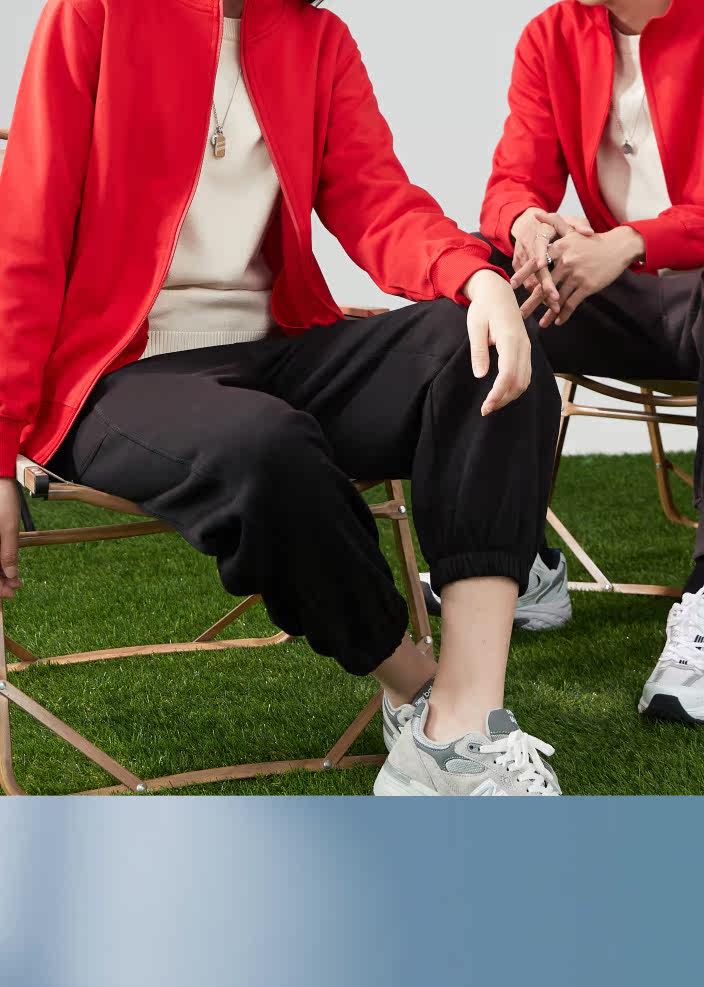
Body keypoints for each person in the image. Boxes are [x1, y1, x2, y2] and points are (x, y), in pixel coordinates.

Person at [0, 0, 564, 796]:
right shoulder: (95, 14)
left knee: (481, 348)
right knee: (264, 445)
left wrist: (478, 278)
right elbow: (25, 230)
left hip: (276, 350)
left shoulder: (316, 40)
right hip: (117, 374)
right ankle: (417, 687)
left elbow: (377, 201)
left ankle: (464, 722)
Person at [476, 0, 704, 724]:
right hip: (621, 302)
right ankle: (518, 558)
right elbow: (510, 182)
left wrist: (631, 241)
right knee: (486, 279)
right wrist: (525, 222)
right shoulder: (552, 36)